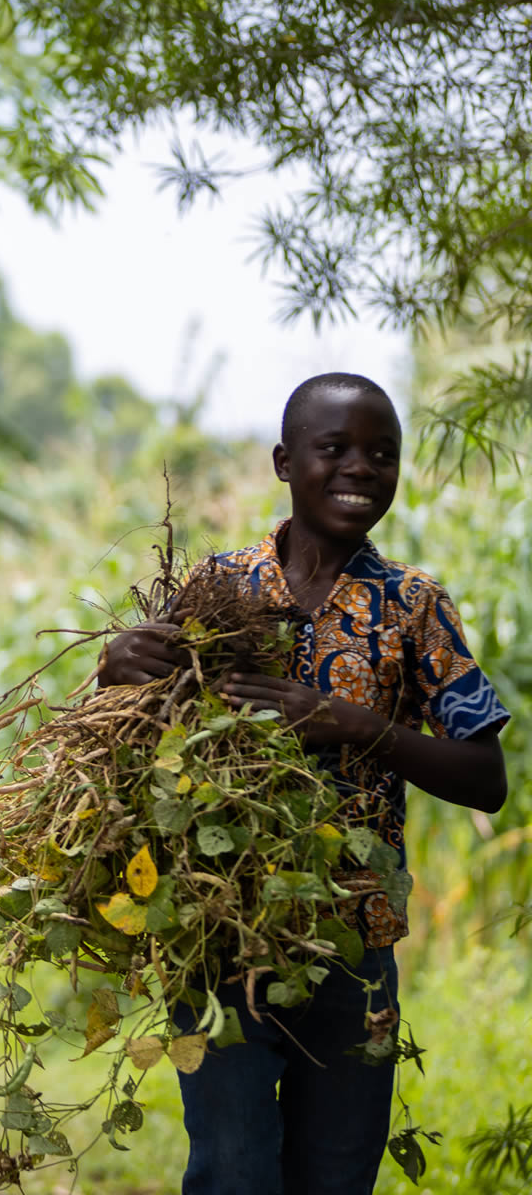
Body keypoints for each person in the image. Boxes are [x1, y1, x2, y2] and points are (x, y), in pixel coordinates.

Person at [99, 373, 507, 1195]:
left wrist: (357, 725)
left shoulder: (412, 605)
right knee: (234, 1171)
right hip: (220, 931)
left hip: (354, 949)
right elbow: (141, 738)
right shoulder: (221, 586)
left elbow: (486, 778)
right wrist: (116, 671)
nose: (361, 468)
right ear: (286, 462)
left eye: (382, 455)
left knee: (334, 1178)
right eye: (335, 450)